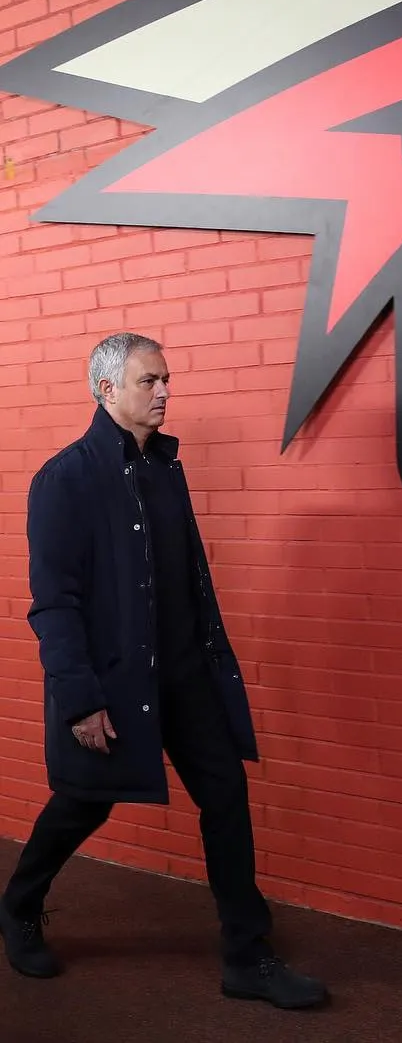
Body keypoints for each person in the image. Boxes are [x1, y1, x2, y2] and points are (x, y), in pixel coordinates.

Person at [0, 332, 327, 1010]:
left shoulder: (163, 468)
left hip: (185, 679)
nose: (164, 391)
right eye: (149, 381)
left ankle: (246, 954)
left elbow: (185, 584)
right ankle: (19, 903)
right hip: (115, 686)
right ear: (107, 389)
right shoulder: (65, 479)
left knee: (227, 798)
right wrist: (80, 698)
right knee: (84, 802)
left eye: (165, 379)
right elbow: (54, 603)